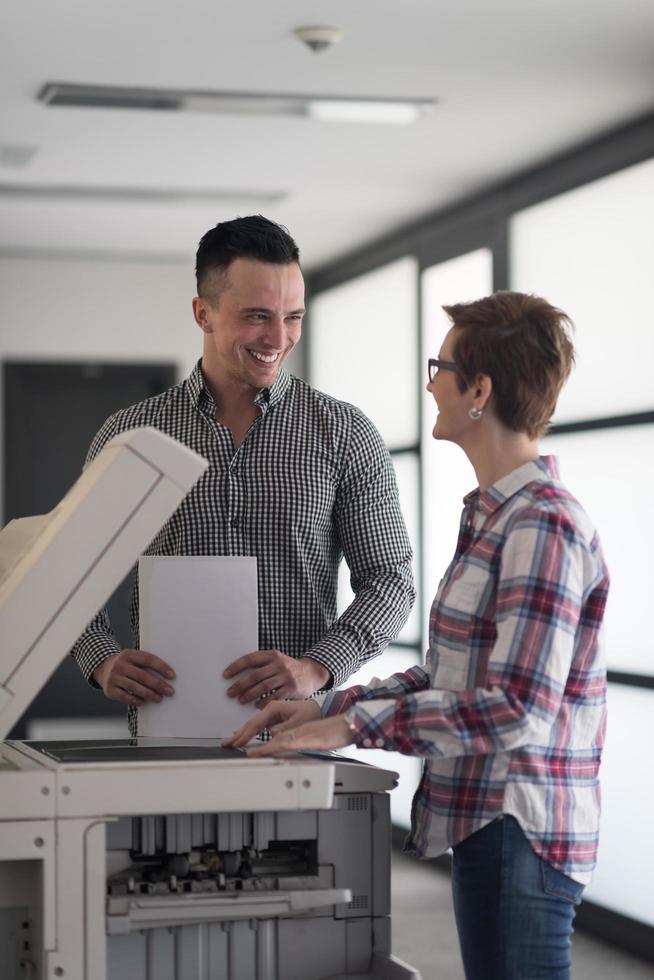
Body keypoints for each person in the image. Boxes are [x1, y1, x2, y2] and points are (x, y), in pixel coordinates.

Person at [226, 291, 610, 980]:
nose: (429, 381)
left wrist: (355, 729)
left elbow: (517, 709)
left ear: (479, 390)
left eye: (441, 365)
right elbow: (448, 677)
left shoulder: (542, 525)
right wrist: (327, 707)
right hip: (485, 823)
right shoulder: (494, 517)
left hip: (519, 827)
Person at [71, 215, 414, 736]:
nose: (279, 337)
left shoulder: (344, 433)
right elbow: (72, 575)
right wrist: (101, 660)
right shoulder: (132, 436)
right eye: (258, 316)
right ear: (202, 313)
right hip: (167, 743)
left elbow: (390, 580)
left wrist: (317, 667)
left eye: (293, 316)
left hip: (302, 742)